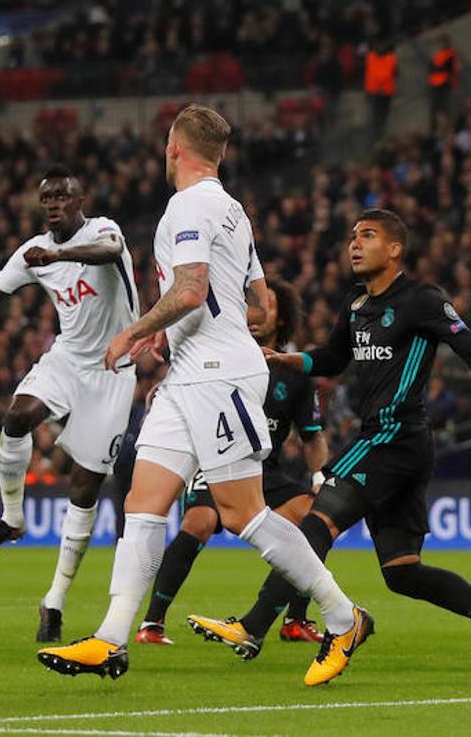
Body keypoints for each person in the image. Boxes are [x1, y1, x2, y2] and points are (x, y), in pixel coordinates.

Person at [36, 105, 370, 688]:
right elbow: (261, 300)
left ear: (174, 148)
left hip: (218, 374)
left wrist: (137, 330)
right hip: (190, 375)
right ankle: (112, 638)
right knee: (144, 501)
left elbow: (191, 291)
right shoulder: (234, 210)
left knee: (243, 513)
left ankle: (344, 618)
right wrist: (180, 333)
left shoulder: (189, 206)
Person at [188, 209, 471, 664]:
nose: (354, 245)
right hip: (395, 444)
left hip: (393, 436)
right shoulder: (357, 303)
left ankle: (253, 625)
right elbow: (332, 358)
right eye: (352, 237)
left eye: (368, 236)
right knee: (403, 572)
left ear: (395, 248)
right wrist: (290, 361)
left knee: (316, 522)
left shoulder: (422, 299)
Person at [0, 165, 139, 641]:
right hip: (67, 359)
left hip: (112, 372)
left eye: (61, 196)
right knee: (17, 416)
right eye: (45, 197)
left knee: (84, 490)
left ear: (80, 198)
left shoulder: (103, 230)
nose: (52, 204)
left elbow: (110, 253)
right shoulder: (33, 250)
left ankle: (54, 601)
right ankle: (11, 517)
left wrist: (59, 253)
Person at [135, 276, 329, 651]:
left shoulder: (295, 374)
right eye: (248, 304)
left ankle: (295, 619)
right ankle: (152, 622)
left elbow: (312, 436)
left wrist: (320, 475)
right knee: (200, 521)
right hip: (214, 460)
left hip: (264, 469)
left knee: (314, 516)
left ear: (283, 317)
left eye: (264, 305)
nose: (254, 312)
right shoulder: (216, 355)